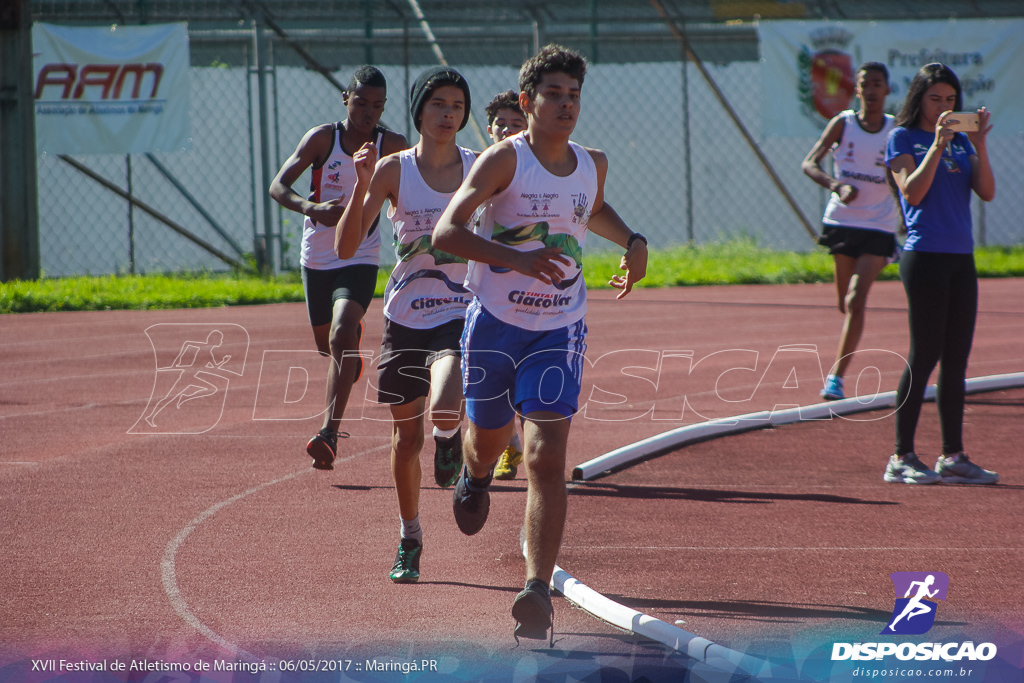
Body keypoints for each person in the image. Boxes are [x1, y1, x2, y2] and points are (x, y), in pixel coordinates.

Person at [432, 44, 648, 641]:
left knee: (545, 455)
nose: (565, 105)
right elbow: (448, 231)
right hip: (496, 326)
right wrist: (517, 262)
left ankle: (535, 590)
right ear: (527, 102)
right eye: (553, 95)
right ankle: (473, 477)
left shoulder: (592, 161)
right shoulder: (504, 161)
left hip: (560, 328)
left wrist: (632, 240)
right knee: (487, 441)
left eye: (574, 95)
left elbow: (593, 209)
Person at [336, 66, 476, 583]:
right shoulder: (394, 170)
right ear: (419, 110)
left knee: (445, 399)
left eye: (458, 106)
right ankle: (410, 536)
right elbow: (347, 247)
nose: (448, 114)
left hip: (460, 306)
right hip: (404, 313)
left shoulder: (479, 168)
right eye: (439, 103)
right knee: (403, 441)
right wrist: (361, 184)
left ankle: (450, 437)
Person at [269, 66, 408, 470]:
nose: (368, 113)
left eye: (377, 106)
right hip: (318, 256)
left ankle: (329, 433)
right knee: (326, 346)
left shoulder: (392, 143)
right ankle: (348, 355)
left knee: (342, 331)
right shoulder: (322, 139)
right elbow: (279, 185)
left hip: (360, 255)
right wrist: (311, 208)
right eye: (361, 103)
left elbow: (412, 187)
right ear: (345, 99)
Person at [883, 62, 998, 485]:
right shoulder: (902, 137)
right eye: (935, 99)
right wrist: (935, 145)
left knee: (956, 360)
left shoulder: (963, 144)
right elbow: (912, 191)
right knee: (924, 355)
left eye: (950, 100)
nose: (943, 107)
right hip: (924, 256)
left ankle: (953, 456)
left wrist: (979, 144)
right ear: (919, 99)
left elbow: (986, 192)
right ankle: (901, 456)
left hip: (959, 257)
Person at [801, 62, 901, 401]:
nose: (871, 90)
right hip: (843, 222)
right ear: (856, 90)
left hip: (879, 225)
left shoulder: (896, 129)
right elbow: (809, 162)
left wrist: (905, 211)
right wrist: (835, 185)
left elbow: (908, 174)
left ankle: (836, 378)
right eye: (865, 84)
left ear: (887, 90)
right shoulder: (842, 124)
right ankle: (851, 333)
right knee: (845, 304)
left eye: (877, 84)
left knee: (856, 301)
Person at [483, 89, 527, 480]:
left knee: (527, 378)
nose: (509, 130)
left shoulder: (537, 169)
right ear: (489, 128)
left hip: (530, 290)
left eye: (518, 124)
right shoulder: (477, 168)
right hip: (484, 287)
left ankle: (538, 449)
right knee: (488, 378)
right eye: (502, 124)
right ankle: (507, 443)